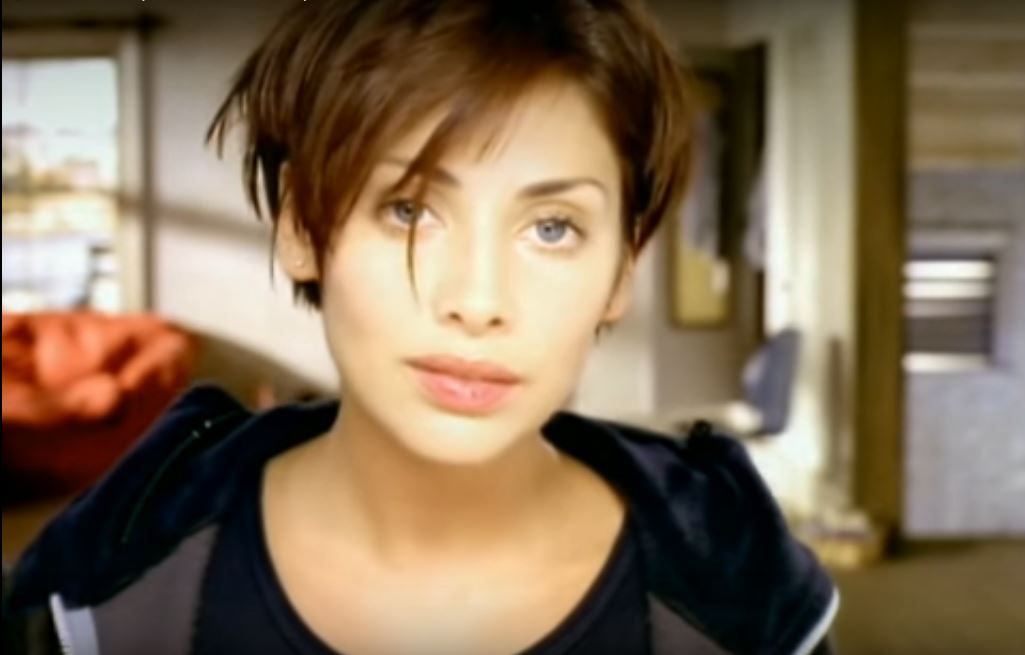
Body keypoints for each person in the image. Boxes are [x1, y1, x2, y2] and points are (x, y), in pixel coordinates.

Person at [3, 1, 838, 653]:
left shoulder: (736, 591)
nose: (476, 300)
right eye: (408, 209)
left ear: (620, 270)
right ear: (300, 228)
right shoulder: (112, 585)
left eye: (551, 227)